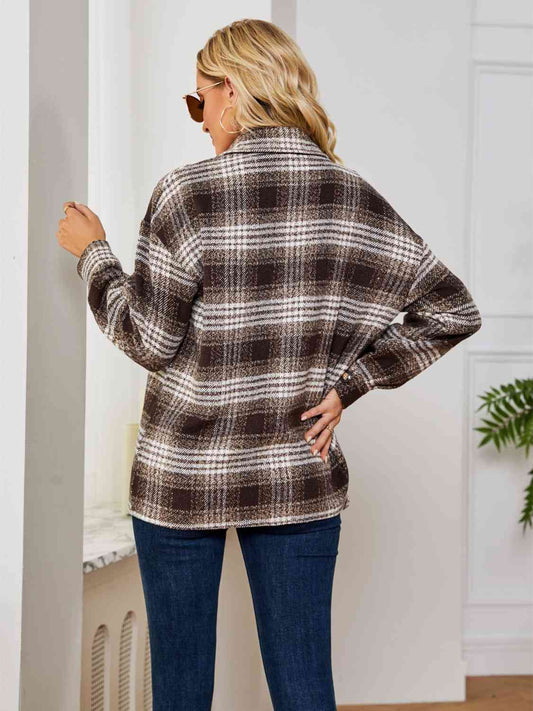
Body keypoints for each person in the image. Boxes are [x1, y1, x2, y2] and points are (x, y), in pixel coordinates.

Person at [57, 18, 482, 711]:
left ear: (232, 90)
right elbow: (451, 310)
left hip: (181, 479)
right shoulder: (350, 195)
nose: (200, 121)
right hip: (295, 473)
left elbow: (148, 340)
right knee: (304, 687)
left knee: (180, 692)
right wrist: (350, 385)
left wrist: (94, 254)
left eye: (198, 100)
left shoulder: (187, 194)